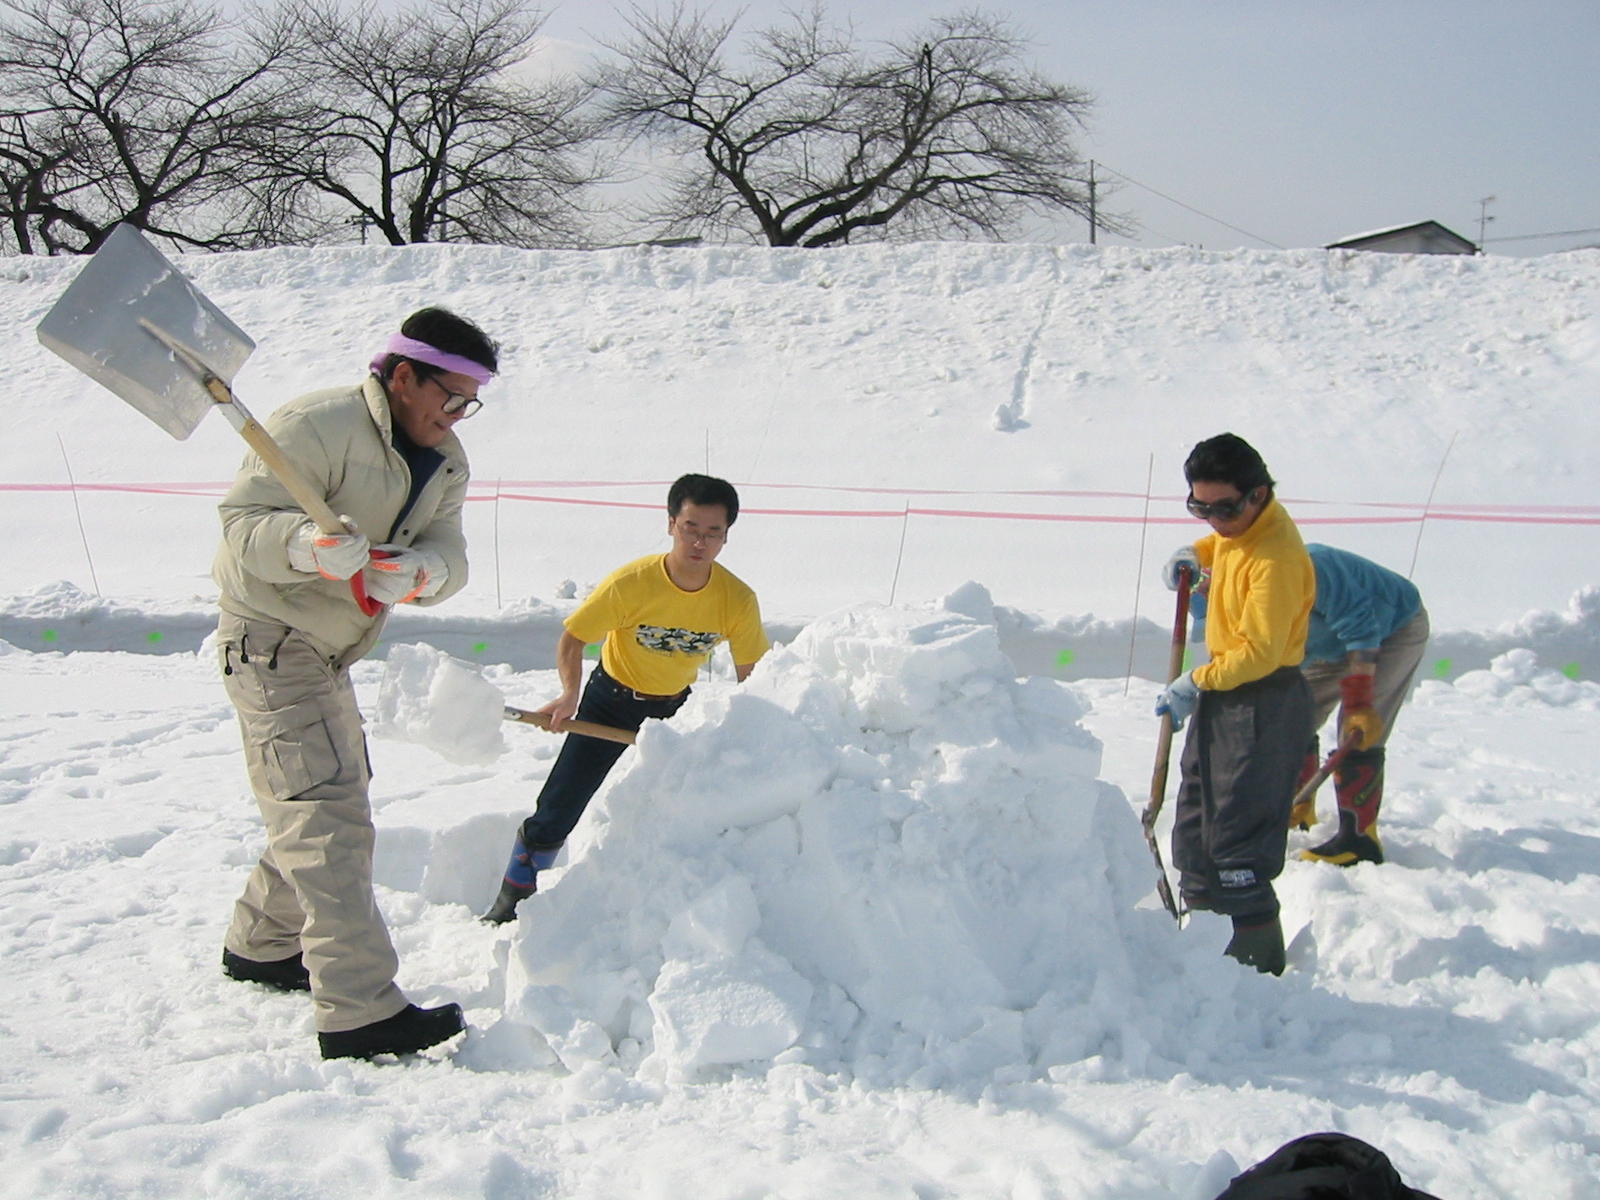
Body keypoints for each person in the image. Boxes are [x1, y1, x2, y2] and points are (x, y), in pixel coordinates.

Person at [213, 308, 497, 1059]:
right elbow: (240, 530)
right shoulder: (315, 424)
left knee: (326, 794)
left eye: (471, 402)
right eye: (451, 396)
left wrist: (424, 572)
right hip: (271, 638)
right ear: (403, 377)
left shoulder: (446, 460)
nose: (458, 414)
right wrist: (304, 547)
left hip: (332, 649)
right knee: (325, 813)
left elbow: (450, 551)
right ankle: (359, 1009)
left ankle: (264, 941)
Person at [484, 474, 770, 924]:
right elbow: (573, 639)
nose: (700, 542)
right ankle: (512, 899)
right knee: (560, 803)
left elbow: (752, 674)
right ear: (671, 524)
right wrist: (569, 695)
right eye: (691, 528)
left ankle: (663, 904)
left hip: (674, 711)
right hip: (610, 702)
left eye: (713, 532)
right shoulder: (632, 584)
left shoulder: (737, 600)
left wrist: (748, 730)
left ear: (726, 536)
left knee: (680, 807)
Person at [1157, 433, 1314, 975]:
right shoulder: (1238, 529)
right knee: (1195, 825)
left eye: (1222, 509)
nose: (1213, 521)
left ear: (1258, 494)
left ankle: (1255, 970)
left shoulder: (1277, 558)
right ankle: (1200, 953)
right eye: (1198, 507)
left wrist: (1195, 681)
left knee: (1236, 842)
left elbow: (1261, 654)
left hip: (1263, 702)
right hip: (1225, 694)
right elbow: (1220, 543)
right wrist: (1194, 554)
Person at [1292, 544, 1429, 866]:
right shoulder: (1249, 591)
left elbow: (1361, 630)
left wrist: (1359, 701)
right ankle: (1297, 806)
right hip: (1332, 637)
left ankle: (1359, 840)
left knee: (1359, 729)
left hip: (1391, 628)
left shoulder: (1312, 569)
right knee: (1292, 712)